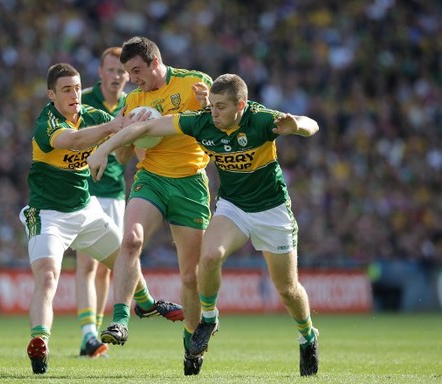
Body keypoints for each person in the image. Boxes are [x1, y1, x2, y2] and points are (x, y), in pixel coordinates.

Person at [87, 73, 320, 376]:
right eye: (211, 105)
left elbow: (311, 124)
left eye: (221, 107)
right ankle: (208, 319)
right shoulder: (202, 122)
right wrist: (102, 149)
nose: (214, 113)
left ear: (241, 104)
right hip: (233, 208)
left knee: (287, 289)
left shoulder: (261, 119)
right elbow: (144, 127)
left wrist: (297, 126)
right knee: (208, 258)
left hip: (272, 211)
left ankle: (307, 335)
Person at [19, 63, 183, 375]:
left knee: (124, 257)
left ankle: (146, 303)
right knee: (48, 275)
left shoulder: (92, 115)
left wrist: (146, 123)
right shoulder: (47, 122)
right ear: (51, 94)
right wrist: (112, 129)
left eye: (78, 88)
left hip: (85, 211)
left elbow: (125, 131)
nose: (75, 94)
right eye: (67, 89)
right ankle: (40, 342)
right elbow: (75, 141)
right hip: (48, 215)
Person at [97, 36, 212, 376]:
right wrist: (129, 133)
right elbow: (122, 155)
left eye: (135, 71)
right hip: (152, 179)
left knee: (191, 278)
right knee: (130, 240)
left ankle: (192, 346)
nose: (132, 79)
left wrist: (207, 107)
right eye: (127, 72)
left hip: (191, 183)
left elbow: (217, 126)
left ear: (155, 63)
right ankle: (120, 320)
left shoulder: (195, 83)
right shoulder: (134, 99)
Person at [75, 46, 132, 358]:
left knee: (108, 269)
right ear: (100, 72)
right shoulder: (81, 100)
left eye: (122, 71)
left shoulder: (131, 104)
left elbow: (124, 157)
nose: (116, 76)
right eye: (111, 70)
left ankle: (93, 338)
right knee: (86, 262)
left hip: (114, 191)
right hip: (84, 188)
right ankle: (88, 335)